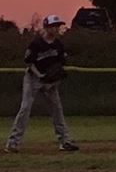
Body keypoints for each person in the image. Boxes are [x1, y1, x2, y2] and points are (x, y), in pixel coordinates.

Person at [6, 13, 80, 153]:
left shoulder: (58, 45)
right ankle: (12, 143)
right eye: (54, 26)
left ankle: (64, 142)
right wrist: (40, 76)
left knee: (57, 110)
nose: (57, 29)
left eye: (58, 26)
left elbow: (60, 67)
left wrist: (53, 82)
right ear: (47, 27)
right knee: (25, 108)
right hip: (33, 79)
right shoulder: (37, 44)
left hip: (50, 82)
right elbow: (29, 63)